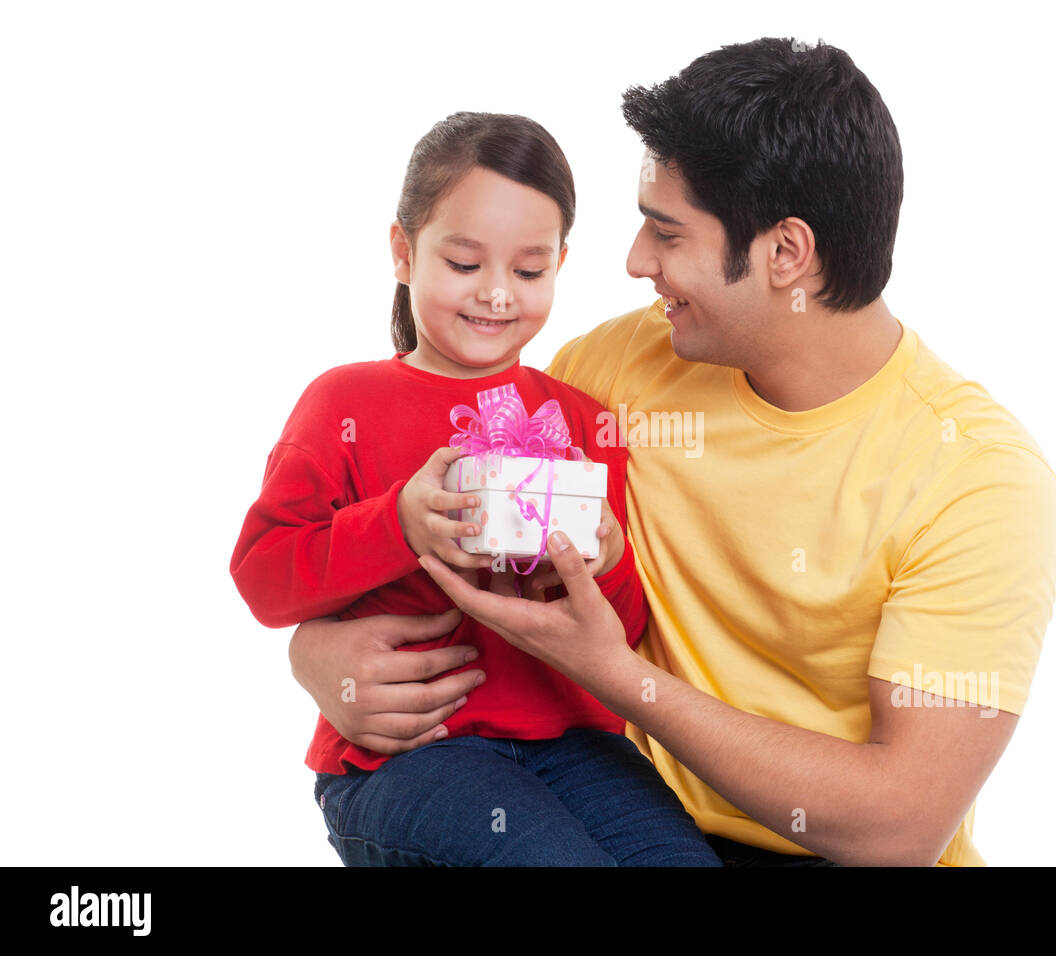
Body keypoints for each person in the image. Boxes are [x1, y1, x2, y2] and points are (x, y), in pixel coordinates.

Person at [288, 38, 1056, 866]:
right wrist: (318, 654)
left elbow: (900, 827)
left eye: (666, 231)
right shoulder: (615, 374)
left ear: (784, 253)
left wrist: (617, 675)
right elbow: (423, 519)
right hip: (618, 825)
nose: (634, 261)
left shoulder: (979, 479)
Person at [230, 112, 723, 866]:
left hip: (576, 745)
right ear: (403, 251)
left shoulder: (583, 421)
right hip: (409, 755)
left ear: (560, 263)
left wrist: (606, 562)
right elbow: (264, 578)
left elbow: (619, 635)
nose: (497, 294)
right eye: (464, 263)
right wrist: (397, 523)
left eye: (528, 272)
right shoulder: (343, 402)